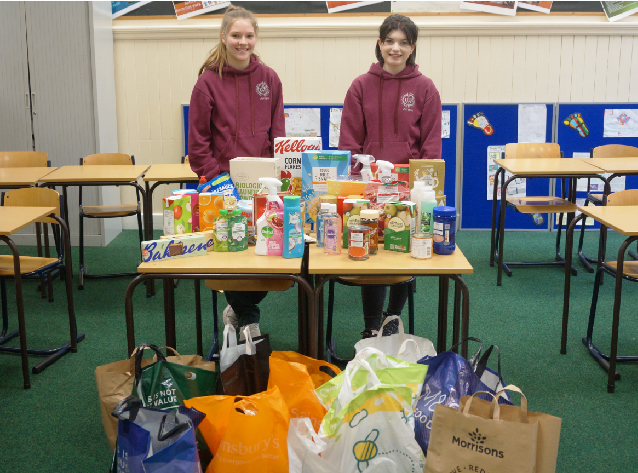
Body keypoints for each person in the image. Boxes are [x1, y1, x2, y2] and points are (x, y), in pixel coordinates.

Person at [339, 14, 442, 339]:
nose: (395, 48)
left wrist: (420, 190)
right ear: (380, 44)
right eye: (389, 41)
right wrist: (358, 185)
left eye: (403, 42)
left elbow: (430, 145)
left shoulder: (425, 88)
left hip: (409, 191)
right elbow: (350, 141)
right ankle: (371, 324)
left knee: (402, 251)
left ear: (412, 47)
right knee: (369, 253)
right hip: (371, 189)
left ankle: (393, 317)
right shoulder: (360, 85)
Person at [188, 5, 285, 340]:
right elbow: (198, 142)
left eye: (249, 35)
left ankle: (239, 310)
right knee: (232, 255)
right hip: (222, 185)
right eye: (236, 35)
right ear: (224, 37)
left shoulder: (270, 79)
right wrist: (218, 181)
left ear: (255, 37)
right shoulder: (207, 82)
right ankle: (248, 316)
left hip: (263, 185)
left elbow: (278, 136)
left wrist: (279, 178)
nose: (243, 42)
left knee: (270, 257)